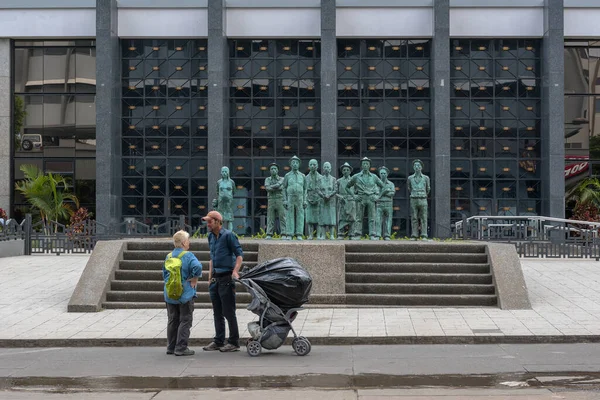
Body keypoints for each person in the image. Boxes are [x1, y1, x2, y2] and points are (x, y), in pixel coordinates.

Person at [202, 210, 243, 352]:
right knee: (217, 311)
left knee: (228, 311)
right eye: (207, 221)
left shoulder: (229, 235)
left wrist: (235, 271)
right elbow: (212, 258)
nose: (207, 224)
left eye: (210, 221)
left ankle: (234, 342)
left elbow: (239, 255)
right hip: (215, 279)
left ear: (218, 222)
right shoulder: (210, 237)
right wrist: (209, 278)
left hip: (226, 277)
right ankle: (219, 340)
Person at [163, 230, 202, 356]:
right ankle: (181, 348)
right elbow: (198, 267)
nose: (189, 242)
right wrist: (195, 278)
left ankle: (171, 347)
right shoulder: (188, 256)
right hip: (185, 293)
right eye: (188, 240)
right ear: (184, 242)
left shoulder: (169, 256)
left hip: (170, 294)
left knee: (172, 320)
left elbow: (165, 274)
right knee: (185, 320)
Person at [347, 157, 384, 240]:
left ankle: (372, 235)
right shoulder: (356, 176)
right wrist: (354, 196)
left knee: (372, 218)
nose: (365, 165)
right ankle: (357, 234)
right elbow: (347, 187)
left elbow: (383, 186)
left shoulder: (374, 177)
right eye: (364, 163)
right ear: (361, 165)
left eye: (367, 163)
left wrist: (378, 196)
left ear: (370, 165)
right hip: (361, 198)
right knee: (359, 217)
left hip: (371, 198)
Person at [282, 155, 307, 240]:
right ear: (290, 164)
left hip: (300, 198)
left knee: (300, 215)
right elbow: (284, 188)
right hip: (290, 198)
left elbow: (305, 188)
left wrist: (305, 200)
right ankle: (289, 234)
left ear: (299, 164)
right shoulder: (287, 175)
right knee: (289, 215)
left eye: (297, 162)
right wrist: (284, 200)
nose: (295, 164)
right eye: (293, 163)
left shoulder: (303, 176)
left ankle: (299, 234)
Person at [407, 159, 431, 239]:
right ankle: (414, 235)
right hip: (413, 199)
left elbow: (428, 189)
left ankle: (424, 235)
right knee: (414, 217)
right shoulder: (410, 178)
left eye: (418, 165)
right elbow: (409, 188)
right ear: (413, 167)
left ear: (421, 167)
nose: (417, 167)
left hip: (423, 199)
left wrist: (423, 195)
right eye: (415, 165)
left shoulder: (426, 178)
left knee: (424, 218)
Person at [264, 162, 286, 239]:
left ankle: (284, 233)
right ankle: (269, 234)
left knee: (282, 217)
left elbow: (281, 188)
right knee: (270, 217)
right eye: (272, 169)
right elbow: (267, 188)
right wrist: (276, 186)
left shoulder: (282, 179)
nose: (273, 170)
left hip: (280, 199)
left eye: (275, 169)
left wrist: (273, 187)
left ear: (278, 170)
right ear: (270, 171)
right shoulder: (267, 179)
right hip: (271, 200)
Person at [336, 162, 356, 239]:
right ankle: (340, 233)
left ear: (350, 171)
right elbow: (335, 192)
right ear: (342, 171)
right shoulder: (339, 181)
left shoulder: (354, 181)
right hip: (342, 202)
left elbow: (357, 192)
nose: (346, 171)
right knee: (341, 218)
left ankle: (352, 234)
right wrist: (340, 197)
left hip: (351, 201)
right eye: (344, 170)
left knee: (352, 218)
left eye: (347, 170)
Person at [212, 166, 235, 231]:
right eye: (223, 172)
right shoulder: (219, 182)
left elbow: (233, 191)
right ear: (221, 173)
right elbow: (217, 191)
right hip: (221, 202)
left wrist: (229, 196)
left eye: (226, 172)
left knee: (230, 218)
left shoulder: (231, 182)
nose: (224, 173)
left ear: (228, 173)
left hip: (228, 202)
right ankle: (219, 232)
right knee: (220, 217)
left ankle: (230, 233)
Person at [318, 161, 337, 240]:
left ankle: (332, 234)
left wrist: (330, 195)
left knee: (331, 218)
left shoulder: (333, 179)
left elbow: (335, 189)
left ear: (330, 169)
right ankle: (323, 235)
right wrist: (323, 195)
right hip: (323, 201)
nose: (326, 168)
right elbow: (318, 189)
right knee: (322, 219)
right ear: (323, 168)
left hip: (331, 201)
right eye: (325, 167)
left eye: (328, 167)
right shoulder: (320, 179)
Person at [376, 166, 395, 241]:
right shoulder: (376, 184)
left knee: (388, 220)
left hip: (388, 204)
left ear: (387, 174)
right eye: (381, 173)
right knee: (378, 220)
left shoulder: (391, 184)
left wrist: (384, 193)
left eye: (384, 173)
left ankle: (387, 235)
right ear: (379, 174)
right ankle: (378, 234)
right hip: (379, 204)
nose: (383, 174)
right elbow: (375, 194)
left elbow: (392, 193)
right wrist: (385, 192)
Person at [305, 159, 322, 240]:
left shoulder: (321, 178)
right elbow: (304, 190)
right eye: (311, 164)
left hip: (318, 200)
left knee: (318, 219)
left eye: (314, 164)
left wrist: (319, 198)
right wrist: (306, 199)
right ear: (308, 166)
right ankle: (310, 235)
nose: (312, 166)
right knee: (310, 219)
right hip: (309, 199)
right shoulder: (305, 178)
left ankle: (318, 235)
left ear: (317, 166)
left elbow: (322, 190)